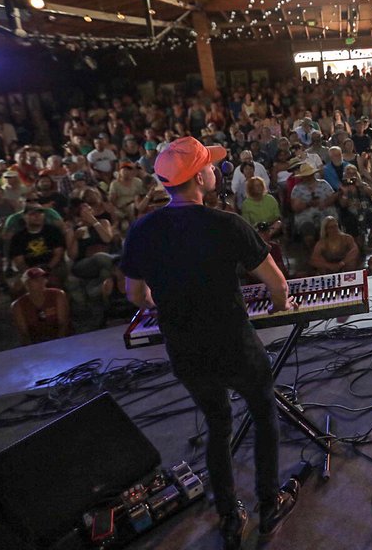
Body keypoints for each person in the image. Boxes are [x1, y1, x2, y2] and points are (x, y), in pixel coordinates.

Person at [121, 137, 296, 549]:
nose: (216, 169)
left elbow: (134, 295)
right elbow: (276, 283)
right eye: (210, 166)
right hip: (235, 343)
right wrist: (277, 305)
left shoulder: (143, 228)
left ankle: (229, 516)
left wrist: (157, 303)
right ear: (199, 177)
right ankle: (269, 505)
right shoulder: (226, 224)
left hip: (185, 349)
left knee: (218, 425)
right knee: (264, 414)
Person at [10, 267, 72, 344]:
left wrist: (59, 342)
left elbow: (63, 323)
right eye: (36, 280)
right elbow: (24, 333)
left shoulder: (58, 295)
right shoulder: (17, 306)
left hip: (60, 339)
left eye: (43, 279)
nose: (41, 282)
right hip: (36, 342)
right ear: (26, 284)